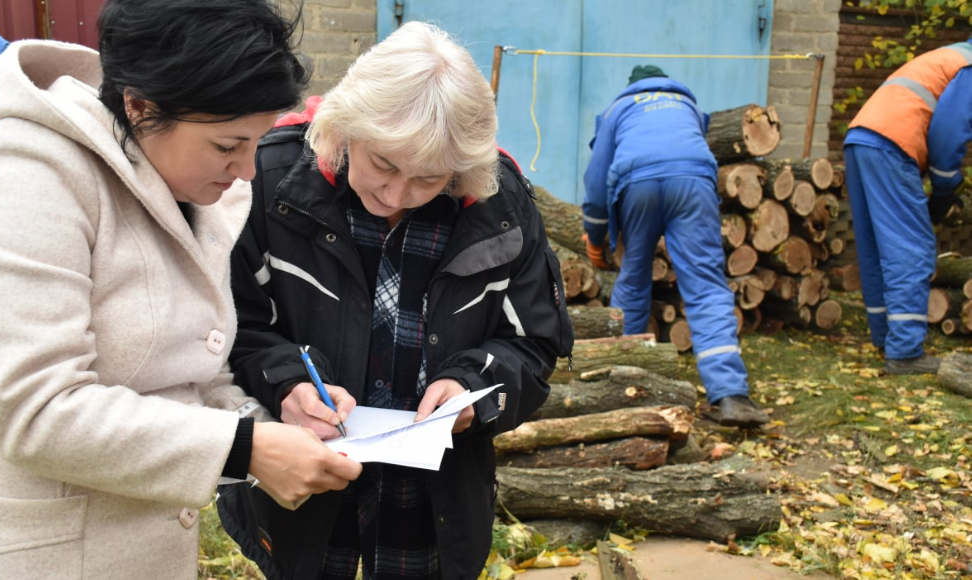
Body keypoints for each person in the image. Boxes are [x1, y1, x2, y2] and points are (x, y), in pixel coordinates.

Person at [0, 1, 361, 578]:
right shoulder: (29, 171)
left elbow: (187, 374)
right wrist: (245, 447)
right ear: (139, 106)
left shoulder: (186, 183)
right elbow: (38, 409)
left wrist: (271, 421)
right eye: (228, 145)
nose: (248, 171)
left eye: (257, 142)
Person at [215, 20, 575, 580]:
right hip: (303, 498)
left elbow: (532, 344)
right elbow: (230, 326)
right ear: (345, 127)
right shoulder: (269, 181)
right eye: (383, 164)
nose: (394, 195)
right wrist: (286, 383)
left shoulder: (498, 206)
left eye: (427, 179)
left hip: (435, 508)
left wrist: (471, 390)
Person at [581, 65, 768, 429]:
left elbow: (597, 175)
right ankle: (731, 395)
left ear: (631, 86)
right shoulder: (687, 106)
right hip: (693, 180)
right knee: (705, 284)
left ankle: (624, 380)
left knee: (634, 276)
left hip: (638, 184)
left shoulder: (618, 110)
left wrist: (595, 234)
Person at [843, 38, 971, 375]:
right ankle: (906, 352)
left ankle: (886, 337)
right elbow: (949, 134)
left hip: (861, 139)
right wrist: (945, 190)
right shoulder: (969, 68)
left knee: (876, 247)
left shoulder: (951, 56)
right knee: (911, 247)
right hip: (892, 145)